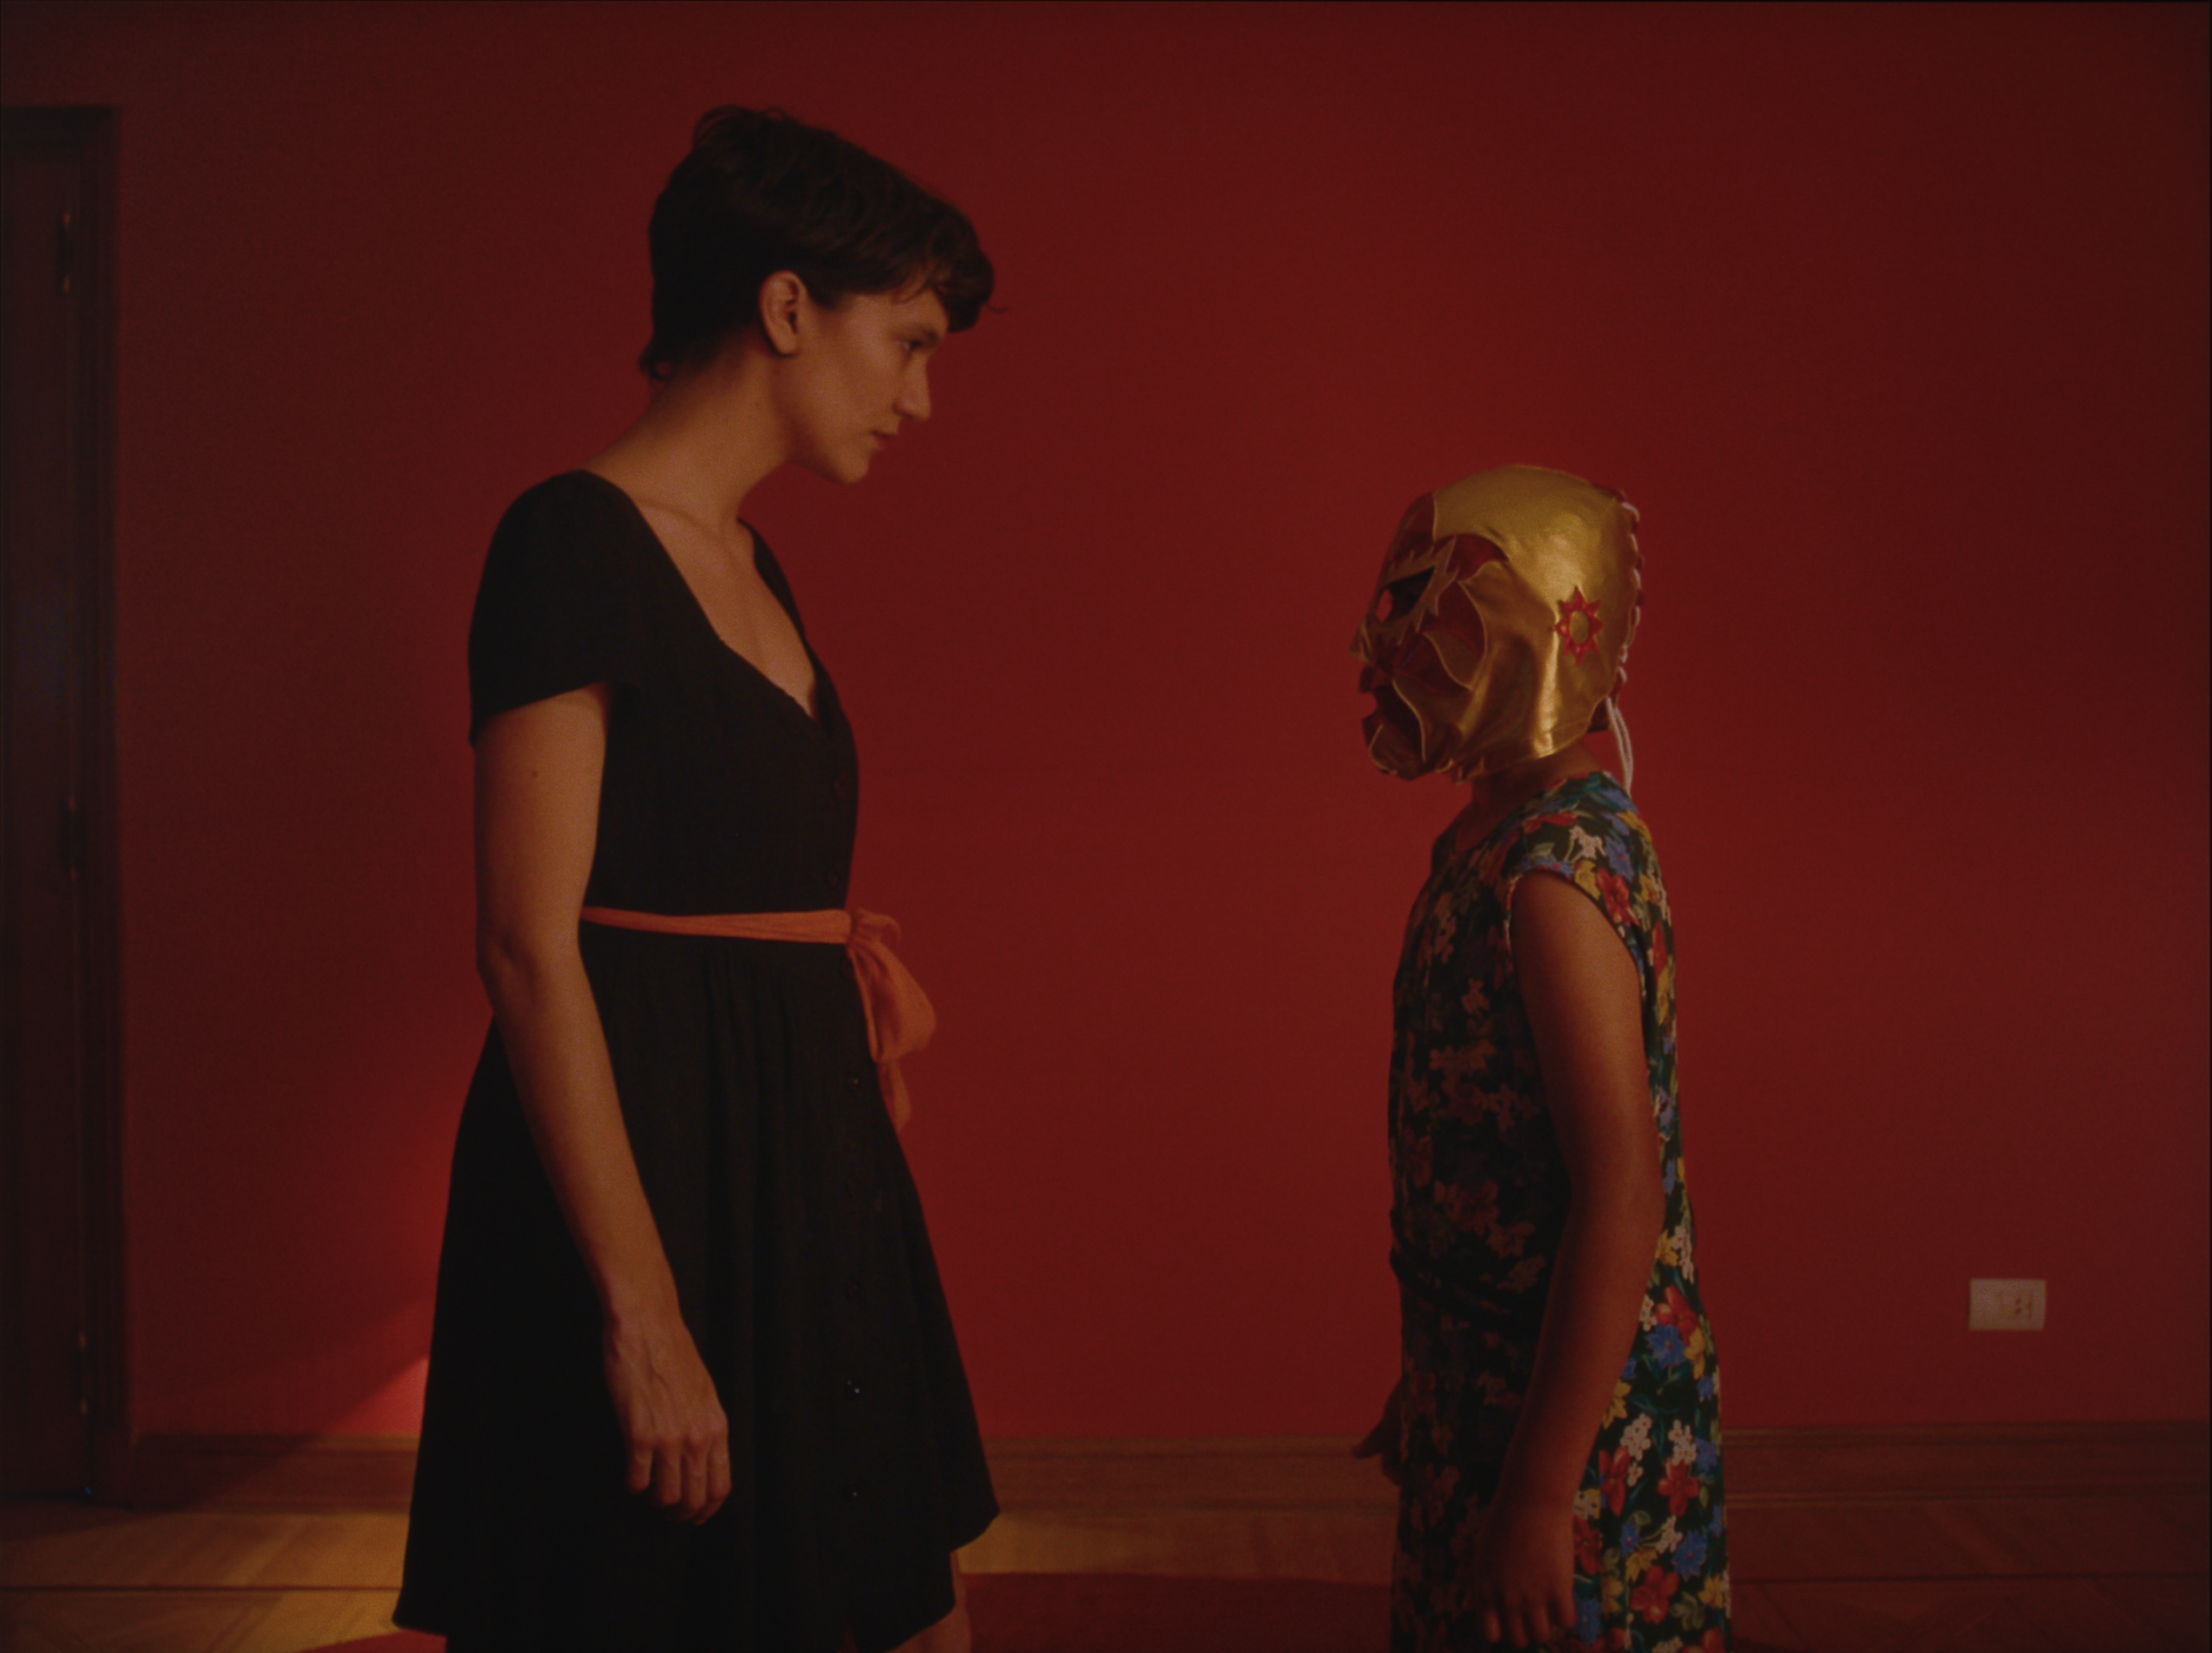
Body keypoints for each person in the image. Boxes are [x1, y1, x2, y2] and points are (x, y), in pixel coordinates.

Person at [394, 106, 997, 1653]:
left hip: (804, 1165)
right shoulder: (568, 541)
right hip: (652, 1171)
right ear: (789, 307)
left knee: (889, 1595)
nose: (921, 399)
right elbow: (526, 948)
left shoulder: (750, 555)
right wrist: (643, 1314)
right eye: (909, 344)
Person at [1349, 467, 1728, 1652]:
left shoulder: (1556, 877)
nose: (1384, 653)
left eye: (1434, 617)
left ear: (1535, 640)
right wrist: (1437, 1373)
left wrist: (1537, 1496)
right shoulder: (1484, 841)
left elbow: (1622, 1195)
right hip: (1487, 1381)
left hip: (1581, 1438)